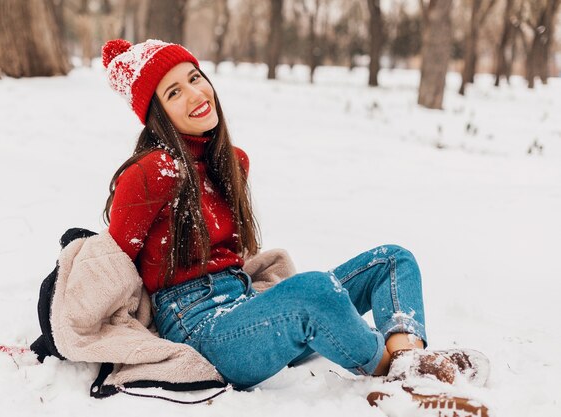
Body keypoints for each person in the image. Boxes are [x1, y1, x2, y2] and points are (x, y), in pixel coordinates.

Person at [100, 39, 482, 392]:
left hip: (247, 309)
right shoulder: (149, 173)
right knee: (313, 290)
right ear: (157, 115)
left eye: (195, 78)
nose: (196, 94)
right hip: (201, 331)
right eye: (174, 92)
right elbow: (115, 264)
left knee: (392, 259)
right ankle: (397, 376)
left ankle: (408, 359)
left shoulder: (231, 162)